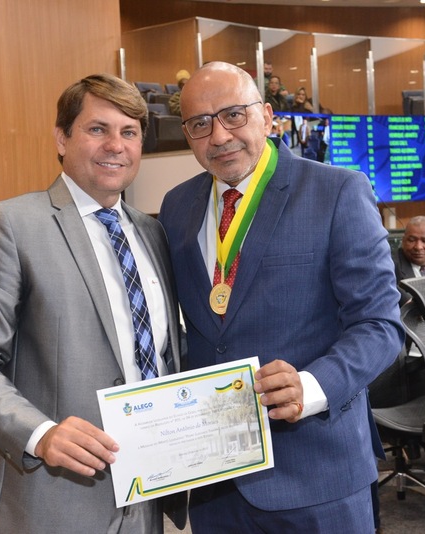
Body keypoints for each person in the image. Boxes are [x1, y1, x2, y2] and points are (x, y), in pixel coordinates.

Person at [159, 61, 404, 532]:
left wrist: (311, 386)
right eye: (200, 124)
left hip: (318, 472)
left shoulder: (337, 191)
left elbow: (380, 326)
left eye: (233, 115)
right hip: (217, 479)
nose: (219, 136)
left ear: (268, 116)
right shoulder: (176, 205)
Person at [0, 74, 186, 533]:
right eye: (97, 129)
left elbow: (159, 353)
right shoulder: (11, 224)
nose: (116, 145)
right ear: (61, 138)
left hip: (144, 495)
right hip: (47, 500)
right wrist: (40, 434)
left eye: (129, 132)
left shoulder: (153, 232)